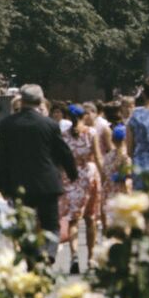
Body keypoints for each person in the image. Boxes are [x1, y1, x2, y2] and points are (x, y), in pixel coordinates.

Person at [0, 85, 80, 262]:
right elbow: (63, 151)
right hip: (46, 183)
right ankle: (49, 253)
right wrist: (72, 172)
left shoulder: (7, 125)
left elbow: (2, 157)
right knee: (51, 225)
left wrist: (1, 183)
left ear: (22, 100)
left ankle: (31, 259)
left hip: (18, 183)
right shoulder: (49, 124)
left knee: (24, 226)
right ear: (40, 100)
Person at [57, 105, 101, 271]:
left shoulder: (64, 135)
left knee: (73, 219)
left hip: (70, 177)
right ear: (85, 116)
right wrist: (104, 176)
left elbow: (60, 161)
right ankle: (91, 258)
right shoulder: (91, 133)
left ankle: (74, 255)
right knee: (90, 218)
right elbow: (98, 157)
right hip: (89, 176)